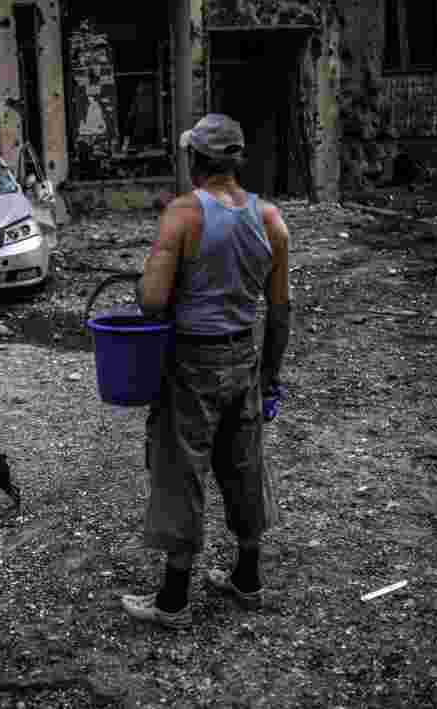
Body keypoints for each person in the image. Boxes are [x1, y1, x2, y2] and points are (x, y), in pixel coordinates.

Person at [121, 113, 292, 629]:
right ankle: (247, 578)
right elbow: (280, 312)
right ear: (236, 161)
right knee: (244, 465)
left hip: (192, 362)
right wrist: (270, 380)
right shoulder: (271, 220)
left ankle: (173, 601)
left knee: (181, 471)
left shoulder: (182, 215)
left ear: (194, 159)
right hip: (244, 359)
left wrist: (151, 282)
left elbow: (152, 302)